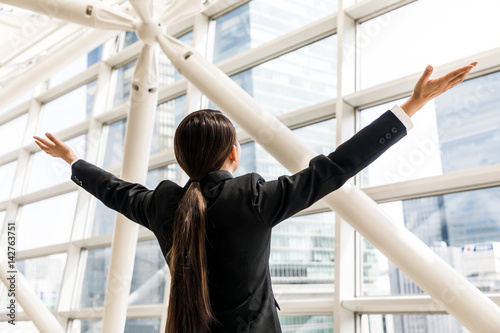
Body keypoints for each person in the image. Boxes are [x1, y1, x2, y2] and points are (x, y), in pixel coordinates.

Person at [34, 62, 477, 333]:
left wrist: (73, 159)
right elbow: (335, 168)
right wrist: (409, 108)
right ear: (233, 152)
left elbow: (114, 191)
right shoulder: (251, 198)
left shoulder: (164, 204)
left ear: (183, 159)